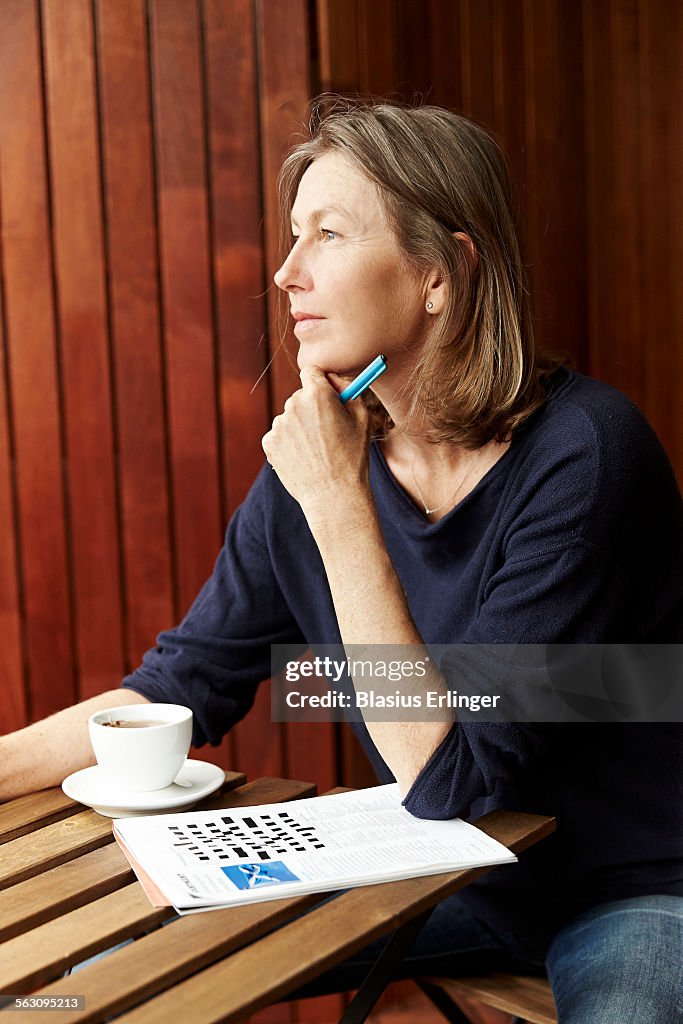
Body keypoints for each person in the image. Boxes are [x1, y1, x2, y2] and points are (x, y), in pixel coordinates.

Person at [1, 97, 681, 1023]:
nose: (284, 274)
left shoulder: (585, 454)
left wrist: (336, 500)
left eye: (327, 234)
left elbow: (453, 782)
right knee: (80, 968)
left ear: (442, 271)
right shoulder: (315, 470)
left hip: (631, 886)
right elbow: (182, 681)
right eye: (292, 236)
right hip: (443, 876)